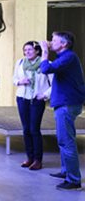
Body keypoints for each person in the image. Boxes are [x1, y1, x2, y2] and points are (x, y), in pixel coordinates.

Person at [39, 31, 85, 190]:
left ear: (64, 44)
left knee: (66, 141)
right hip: (64, 103)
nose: (50, 42)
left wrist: (45, 52)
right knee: (63, 140)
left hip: (67, 104)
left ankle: (74, 180)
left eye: (54, 40)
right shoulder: (64, 57)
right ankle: (66, 171)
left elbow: (45, 68)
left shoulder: (68, 57)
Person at [13, 41, 51, 171]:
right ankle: (29, 157)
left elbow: (54, 84)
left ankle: (37, 160)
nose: (27, 52)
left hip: (36, 100)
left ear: (37, 51)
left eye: (29, 50)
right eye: (25, 50)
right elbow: (14, 79)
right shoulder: (20, 63)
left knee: (34, 129)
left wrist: (45, 95)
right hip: (22, 98)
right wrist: (20, 81)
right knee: (26, 129)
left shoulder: (46, 63)